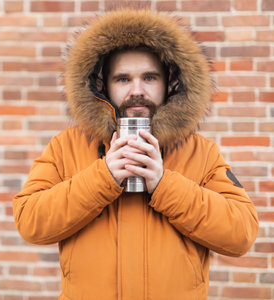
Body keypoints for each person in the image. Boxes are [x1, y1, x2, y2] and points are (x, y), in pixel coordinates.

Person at [13, 9, 258, 300]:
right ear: (102, 85)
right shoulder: (66, 147)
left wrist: (164, 184)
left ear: (171, 83)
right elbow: (30, 221)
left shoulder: (201, 152)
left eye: (150, 78)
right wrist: (103, 178)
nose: (137, 91)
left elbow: (241, 234)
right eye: (123, 79)